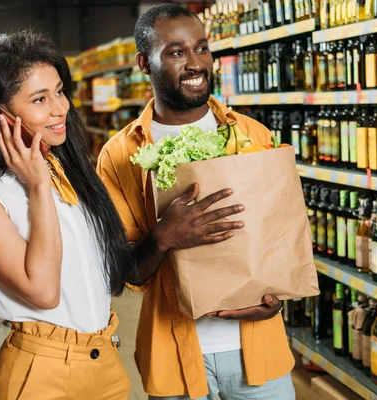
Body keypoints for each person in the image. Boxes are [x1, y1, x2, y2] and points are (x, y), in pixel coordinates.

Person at [97, 5, 296, 400]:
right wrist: (163, 236)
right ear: (143, 63)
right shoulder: (119, 155)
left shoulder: (252, 135)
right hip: (172, 353)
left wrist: (276, 302)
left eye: (201, 48)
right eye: (176, 52)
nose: (196, 64)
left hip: (258, 348)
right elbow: (126, 272)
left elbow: (282, 238)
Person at [0, 31, 137, 400]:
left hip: (106, 361)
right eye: (39, 98)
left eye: (59, 91)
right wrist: (36, 186)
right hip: (40, 375)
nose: (60, 107)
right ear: (0, 114)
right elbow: (44, 291)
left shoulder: (69, 170)